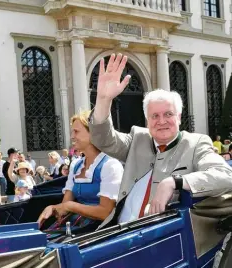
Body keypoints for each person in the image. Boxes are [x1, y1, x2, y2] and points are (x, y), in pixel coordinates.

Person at [89, 53, 232, 224]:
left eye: (168, 114)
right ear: (147, 121)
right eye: (155, 116)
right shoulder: (137, 138)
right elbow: (103, 140)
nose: (162, 121)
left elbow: (225, 176)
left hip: (159, 237)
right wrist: (104, 100)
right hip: (117, 229)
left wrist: (175, 182)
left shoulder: (196, 143)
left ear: (179, 117)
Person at [38, 111, 124, 232]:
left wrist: (71, 206)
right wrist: (52, 208)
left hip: (98, 229)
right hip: (77, 223)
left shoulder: (110, 165)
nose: (72, 136)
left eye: (76, 131)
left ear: (93, 133)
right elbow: (65, 205)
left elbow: (106, 212)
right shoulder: (76, 165)